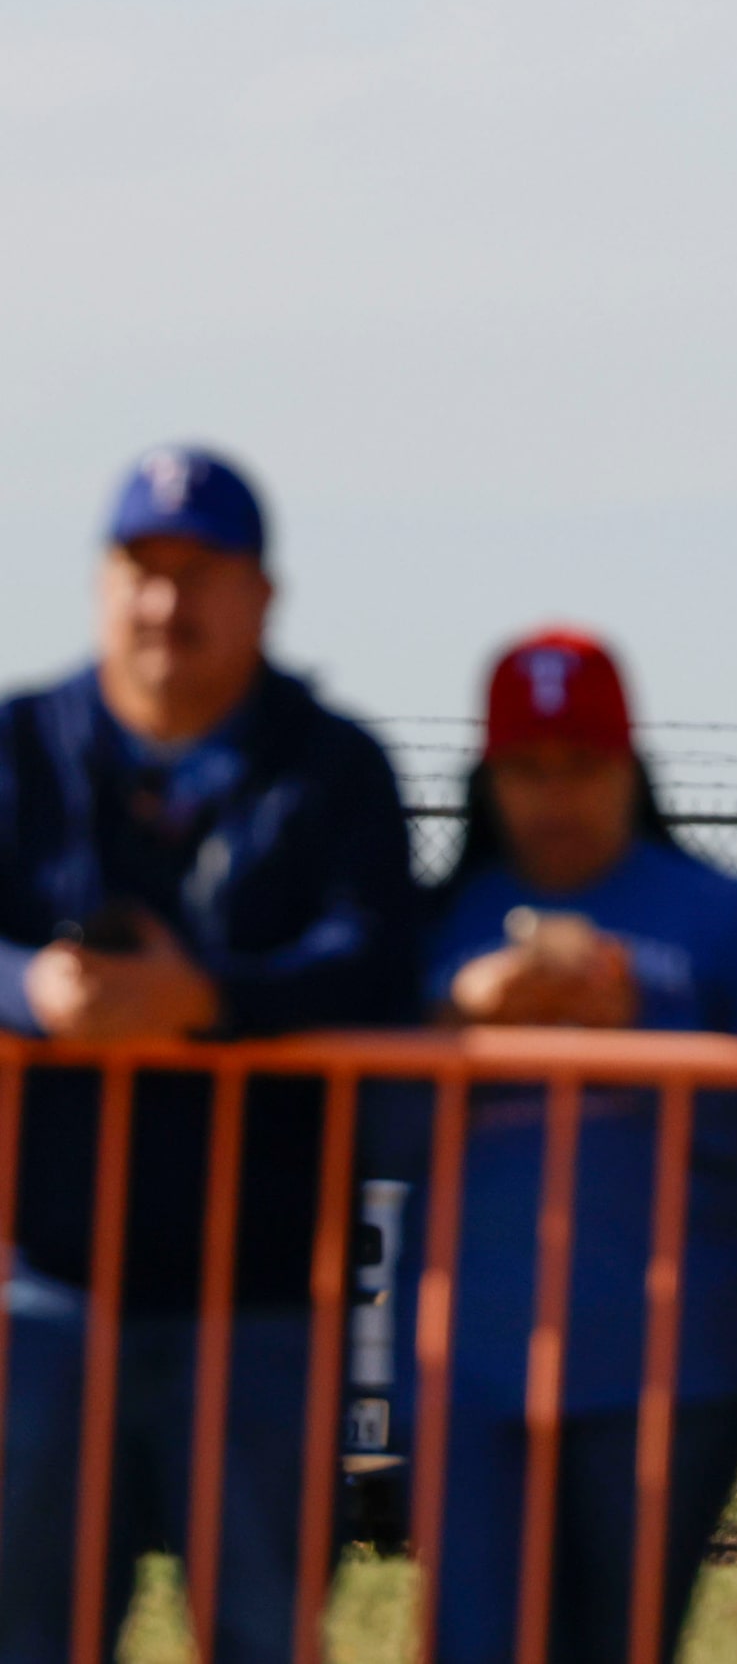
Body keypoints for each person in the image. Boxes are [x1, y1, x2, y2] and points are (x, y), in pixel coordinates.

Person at [0, 447, 420, 1663]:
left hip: (265, 1294)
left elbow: (374, 963)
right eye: (143, 569)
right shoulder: (24, 745)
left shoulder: (333, 765)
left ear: (263, 596)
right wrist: (35, 987)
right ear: (99, 583)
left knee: (256, 1629)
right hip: (45, 1285)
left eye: (202, 573)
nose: (167, 604)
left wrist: (208, 999)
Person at [393, 629, 737, 1664]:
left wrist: (638, 1036)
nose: (556, 795)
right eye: (528, 768)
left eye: (584, 765)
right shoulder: (430, 924)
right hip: (469, 1367)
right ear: (488, 779)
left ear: (632, 766)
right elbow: (369, 1133)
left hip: (664, 1368)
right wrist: (455, 1023)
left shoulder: (720, 916)